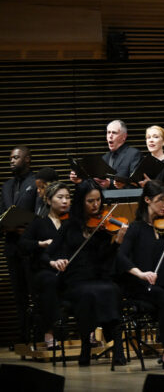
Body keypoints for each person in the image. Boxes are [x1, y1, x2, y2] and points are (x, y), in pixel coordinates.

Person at [48, 180, 127, 366]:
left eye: (98, 200)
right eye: (90, 201)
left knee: (112, 290)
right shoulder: (68, 226)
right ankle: (86, 346)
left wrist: (116, 243)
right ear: (81, 202)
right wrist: (55, 261)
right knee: (88, 294)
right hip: (75, 280)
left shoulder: (102, 228)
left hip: (98, 276)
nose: (96, 205)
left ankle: (118, 348)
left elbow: (104, 260)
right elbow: (49, 253)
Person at [116, 180, 164, 368]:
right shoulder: (136, 228)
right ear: (147, 200)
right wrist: (141, 274)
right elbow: (121, 257)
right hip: (142, 286)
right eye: (161, 200)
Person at [18, 180, 70, 349]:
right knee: (50, 282)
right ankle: (50, 332)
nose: (65, 201)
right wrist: (40, 244)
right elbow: (23, 245)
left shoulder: (72, 224)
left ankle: (91, 332)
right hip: (44, 271)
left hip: (69, 271)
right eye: (60, 197)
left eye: (68, 198)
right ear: (48, 200)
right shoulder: (39, 223)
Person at [3, 146, 36, 344]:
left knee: (35, 292)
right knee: (19, 295)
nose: (12, 161)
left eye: (16, 157)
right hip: (12, 245)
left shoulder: (35, 182)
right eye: (11, 158)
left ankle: (40, 337)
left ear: (27, 160)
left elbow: (40, 213)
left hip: (29, 244)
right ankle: (23, 337)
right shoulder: (6, 186)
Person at [103, 119, 142, 187]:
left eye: (114, 133)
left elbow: (136, 183)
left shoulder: (133, 154)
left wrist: (111, 184)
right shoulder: (105, 157)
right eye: (108, 132)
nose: (110, 136)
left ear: (124, 137)